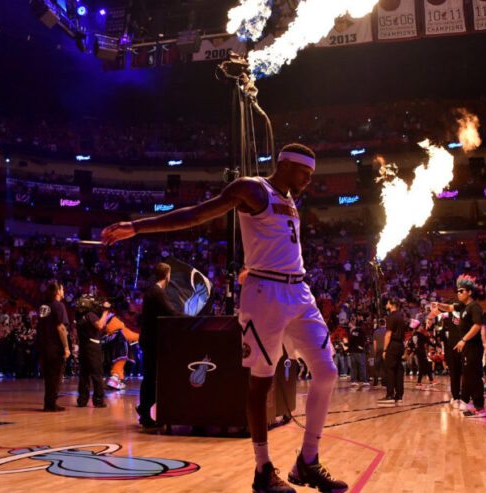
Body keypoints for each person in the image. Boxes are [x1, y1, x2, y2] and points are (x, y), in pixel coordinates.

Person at [102, 144, 347, 493]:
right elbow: (196, 214)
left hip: (298, 291)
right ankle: (263, 469)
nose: (309, 182)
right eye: (305, 174)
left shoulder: (289, 198)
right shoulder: (252, 188)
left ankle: (307, 461)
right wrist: (138, 227)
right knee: (260, 382)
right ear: (288, 165)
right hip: (266, 294)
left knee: (327, 371)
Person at [136, 263, 184, 427]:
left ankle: (144, 410)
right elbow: (171, 312)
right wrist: (188, 317)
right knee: (151, 378)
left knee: (150, 378)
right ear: (167, 275)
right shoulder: (157, 292)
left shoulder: (154, 291)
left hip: (150, 341)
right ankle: (144, 411)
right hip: (152, 342)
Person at [435, 275, 486, 417]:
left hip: (473, 347)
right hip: (466, 347)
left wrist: (463, 340)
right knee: (469, 375)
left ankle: (480, 407)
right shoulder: (462, 306)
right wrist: (439, 306)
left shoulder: (474, 307)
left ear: (469, 292)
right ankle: (474, 405)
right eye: (457, 291)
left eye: (461, 291)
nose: (458, 293)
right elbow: (449, 307)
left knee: (475, 376)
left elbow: (477, 325)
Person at [37, 282, 70, 412]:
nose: (64, 291)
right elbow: (61, 328)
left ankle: (48, 403)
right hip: (55, 346)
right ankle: (51, 404)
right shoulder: (59, 306)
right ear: (58, 291)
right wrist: (66, 347)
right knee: (56, 376)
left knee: (48, 377)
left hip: (44, 345)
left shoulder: (43, 306)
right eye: (62, 289)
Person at [76, 297, 110, 408]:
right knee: (97, 374)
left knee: (84, 374)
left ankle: (82, 400)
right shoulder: (90, 315)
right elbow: (100, 325)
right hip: (92, 346)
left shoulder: (81, 316)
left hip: (84, 346)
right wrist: (105, 312)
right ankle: (98, 400)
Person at [377, 298, 406, 407]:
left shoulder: (391, 317)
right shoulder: (401, 316)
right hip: (400, 345)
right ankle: (399, 395)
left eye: (387, 302)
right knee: (398, 370)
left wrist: (385, 349)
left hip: (392, 345)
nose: (386, 304)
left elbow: (388, 334)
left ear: (391, 304)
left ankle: (390, 395)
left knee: (389, 369)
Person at [371, 319, 386, 387]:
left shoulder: (375, 332)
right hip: (385, 351)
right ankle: (384, 383)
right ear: (385, 324)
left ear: (379, 324)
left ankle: (375, 382)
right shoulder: (387, 331)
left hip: (378, 351)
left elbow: (375, 343)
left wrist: (374, 353)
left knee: (377, 367)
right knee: (384, 367)